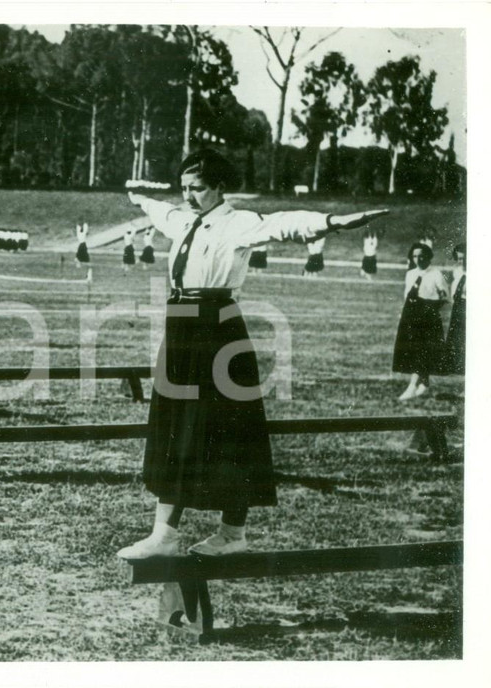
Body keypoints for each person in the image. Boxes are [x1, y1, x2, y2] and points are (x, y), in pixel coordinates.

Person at [118, 148, 387, 559]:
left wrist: (332, 223)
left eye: (199, 188)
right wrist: (138, 197)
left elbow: (285, 225)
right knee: (175, 423)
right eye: (185, 188)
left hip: (217, 326)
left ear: (221, 187)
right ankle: (164, 535)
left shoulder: (241, 224)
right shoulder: (185, 218)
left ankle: (232, 533)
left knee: (229, 428)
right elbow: (160, 211)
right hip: (180, 324)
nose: (189, 196)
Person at [392, 242, 449, 401]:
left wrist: (430, 307)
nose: (418, 259)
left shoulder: (436, 274)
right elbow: (406, 296)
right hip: (410, 316)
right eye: (415, 256)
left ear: (428, 257)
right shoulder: (410, 274)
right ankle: (424, 383)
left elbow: (445, 297)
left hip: (428, 318)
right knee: (414, 351)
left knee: (421, 351)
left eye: (421, 255)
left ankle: (412, 387)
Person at [442, 242, 466, 376]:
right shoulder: (457, 271)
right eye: (459, 258)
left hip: (467, 304)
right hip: (457, 304)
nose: (461, 261)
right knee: (455, 334)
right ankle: (453, 364)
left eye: (464, 258)